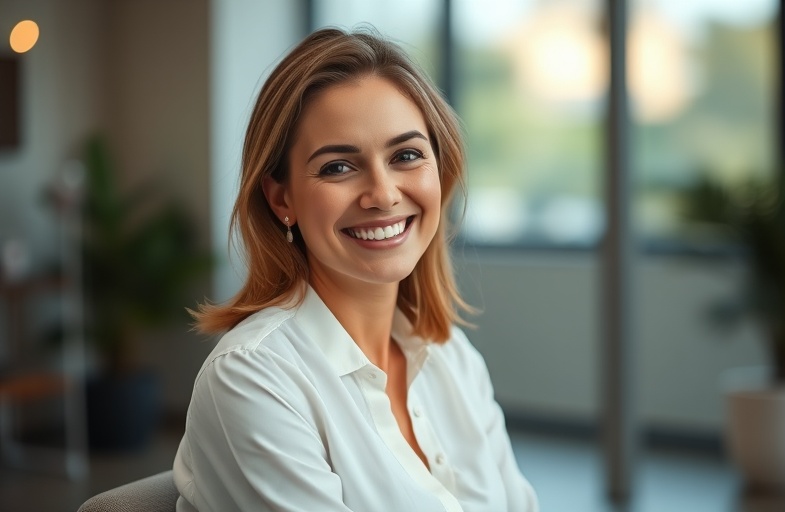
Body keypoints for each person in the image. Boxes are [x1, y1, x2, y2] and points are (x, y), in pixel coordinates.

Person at [172, 27, 538, 512]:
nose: (383, 194)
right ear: (282, 198)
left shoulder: (452, 356)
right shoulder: (251, 377)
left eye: (406, 155)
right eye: (338, 167)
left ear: (439, 171)